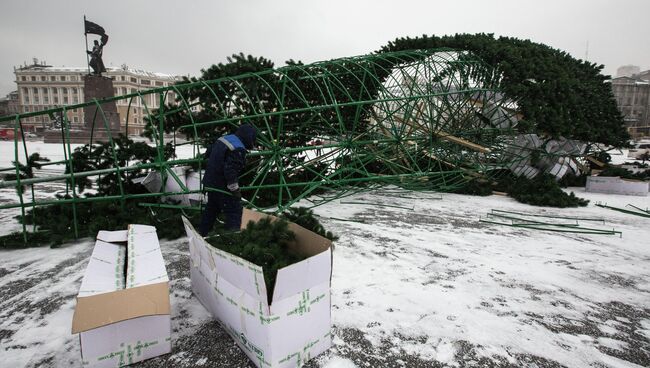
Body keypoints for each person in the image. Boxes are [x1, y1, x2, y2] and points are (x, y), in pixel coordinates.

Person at [199, 123, 256, 236]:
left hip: (210, 182)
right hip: (222, 186)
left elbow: (208, 152)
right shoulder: (238, 149)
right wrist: (235, 190)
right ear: (248, 137)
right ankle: (233, 238)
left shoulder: (225, 139)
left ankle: (202, 233)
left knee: (211, 209)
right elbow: (230, 171)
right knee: (234, 212)